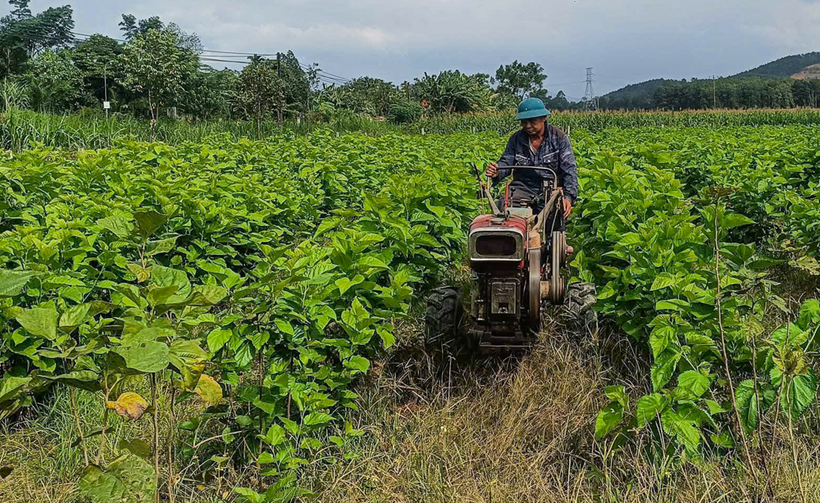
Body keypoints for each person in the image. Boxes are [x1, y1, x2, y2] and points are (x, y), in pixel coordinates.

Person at [486, 98, 579, 221]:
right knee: (505, 209)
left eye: (532, 121)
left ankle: (550, 238)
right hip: (523, 187)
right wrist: (497, 171)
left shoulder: (558, 138)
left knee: (556, 214)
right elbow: (506, 161)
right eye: (524, 122)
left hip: (549, 188)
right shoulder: (516, 139)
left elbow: (569, 169)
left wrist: (568, 197)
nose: (528, 126)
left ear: (543, 118)